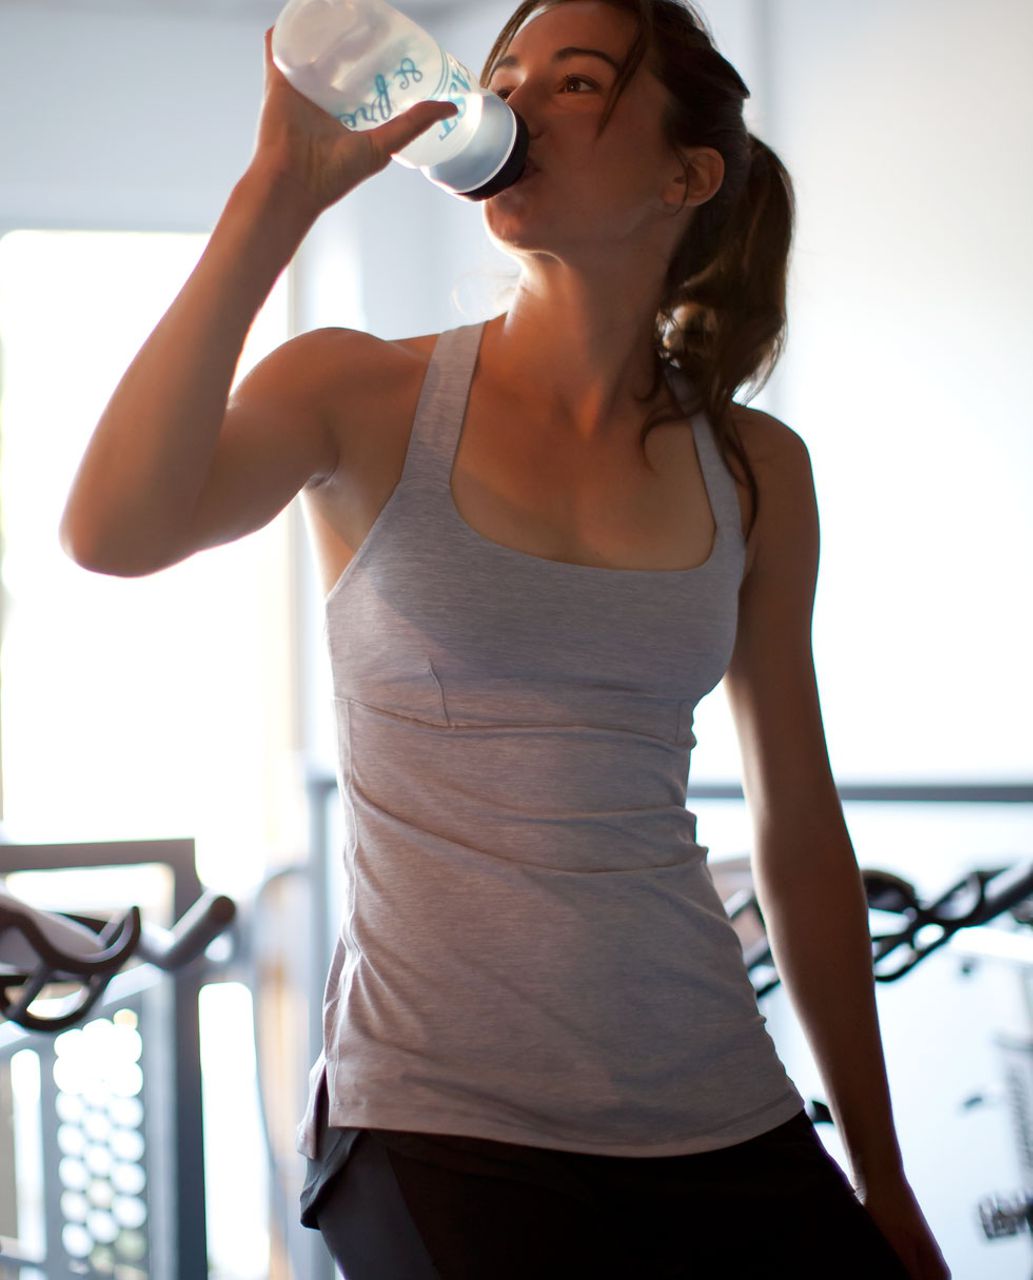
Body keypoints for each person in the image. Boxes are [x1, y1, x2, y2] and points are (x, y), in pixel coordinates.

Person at [60, 0, 951, 1275]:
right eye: (505, 74)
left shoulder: (758, 469)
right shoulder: (354, 392)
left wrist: (882, 1173)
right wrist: (275, 195)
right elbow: (110, 529)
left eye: (575, 81)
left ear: (684, 175)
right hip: (436, 1119)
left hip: (719, 1102)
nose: (518, 102)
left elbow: (798, 822)